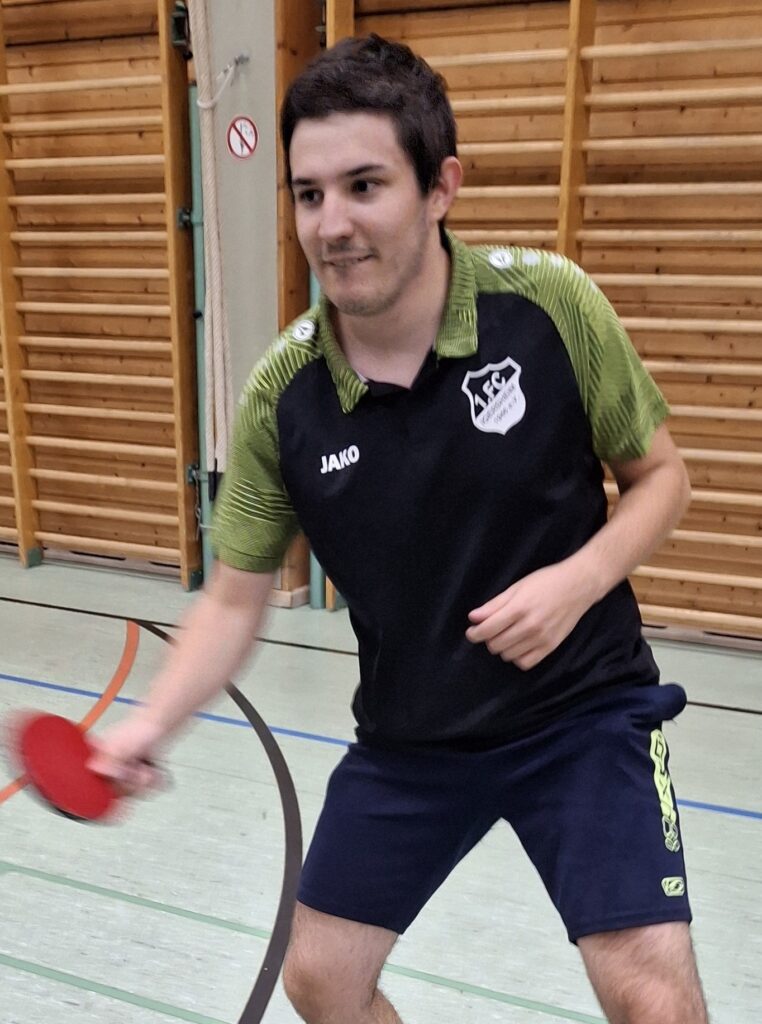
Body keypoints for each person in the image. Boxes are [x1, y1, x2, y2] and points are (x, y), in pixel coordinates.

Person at [92, 34, 709, 1024]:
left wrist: (578, 580)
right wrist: (146, 726)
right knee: (322, 978)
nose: (331, 223)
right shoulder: (282, 398)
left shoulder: (552, 307)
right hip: (413, 738)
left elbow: (662, 480)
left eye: (365, 185)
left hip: (582, 715)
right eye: (308, 194)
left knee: (654, 997)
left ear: (440, 186)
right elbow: (235, 596)